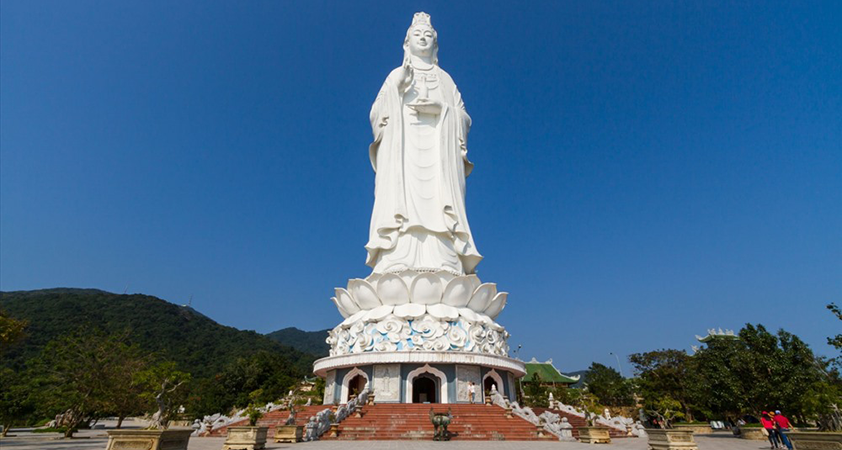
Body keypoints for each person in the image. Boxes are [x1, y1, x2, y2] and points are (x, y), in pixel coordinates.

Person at [365, 12, 482, 276]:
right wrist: (396, 88)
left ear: (436, 45)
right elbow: (376, 115)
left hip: (438, 152)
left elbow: (463, 117)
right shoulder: (396, 75)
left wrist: (442, 109)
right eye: (417, 35)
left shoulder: (445, 80)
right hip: (403, 150)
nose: (423, 39)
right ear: (407, 43)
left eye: (428, 36)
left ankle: (444, 256)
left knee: (439, 202)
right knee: (402, 199)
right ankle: (397, 255)